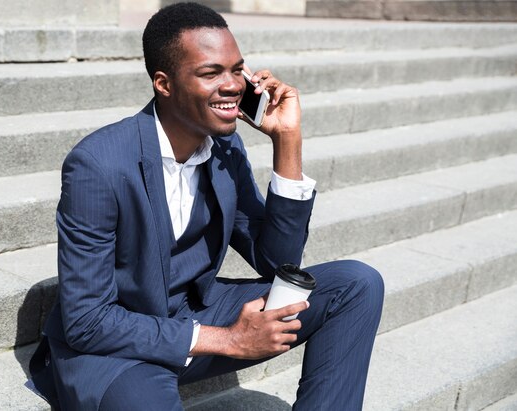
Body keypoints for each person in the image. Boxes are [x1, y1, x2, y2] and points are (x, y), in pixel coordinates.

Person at [28, 2, 384, 410]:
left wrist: (287, 141)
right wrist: (229, 338)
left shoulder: (224, 146)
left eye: (237, 69)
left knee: (356, 284)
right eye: (210, 73)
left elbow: (276, 261)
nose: (232, 85)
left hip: (196, 313)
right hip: (117, 347)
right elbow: (87, 322)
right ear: (164, 83)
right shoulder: (98, 164)